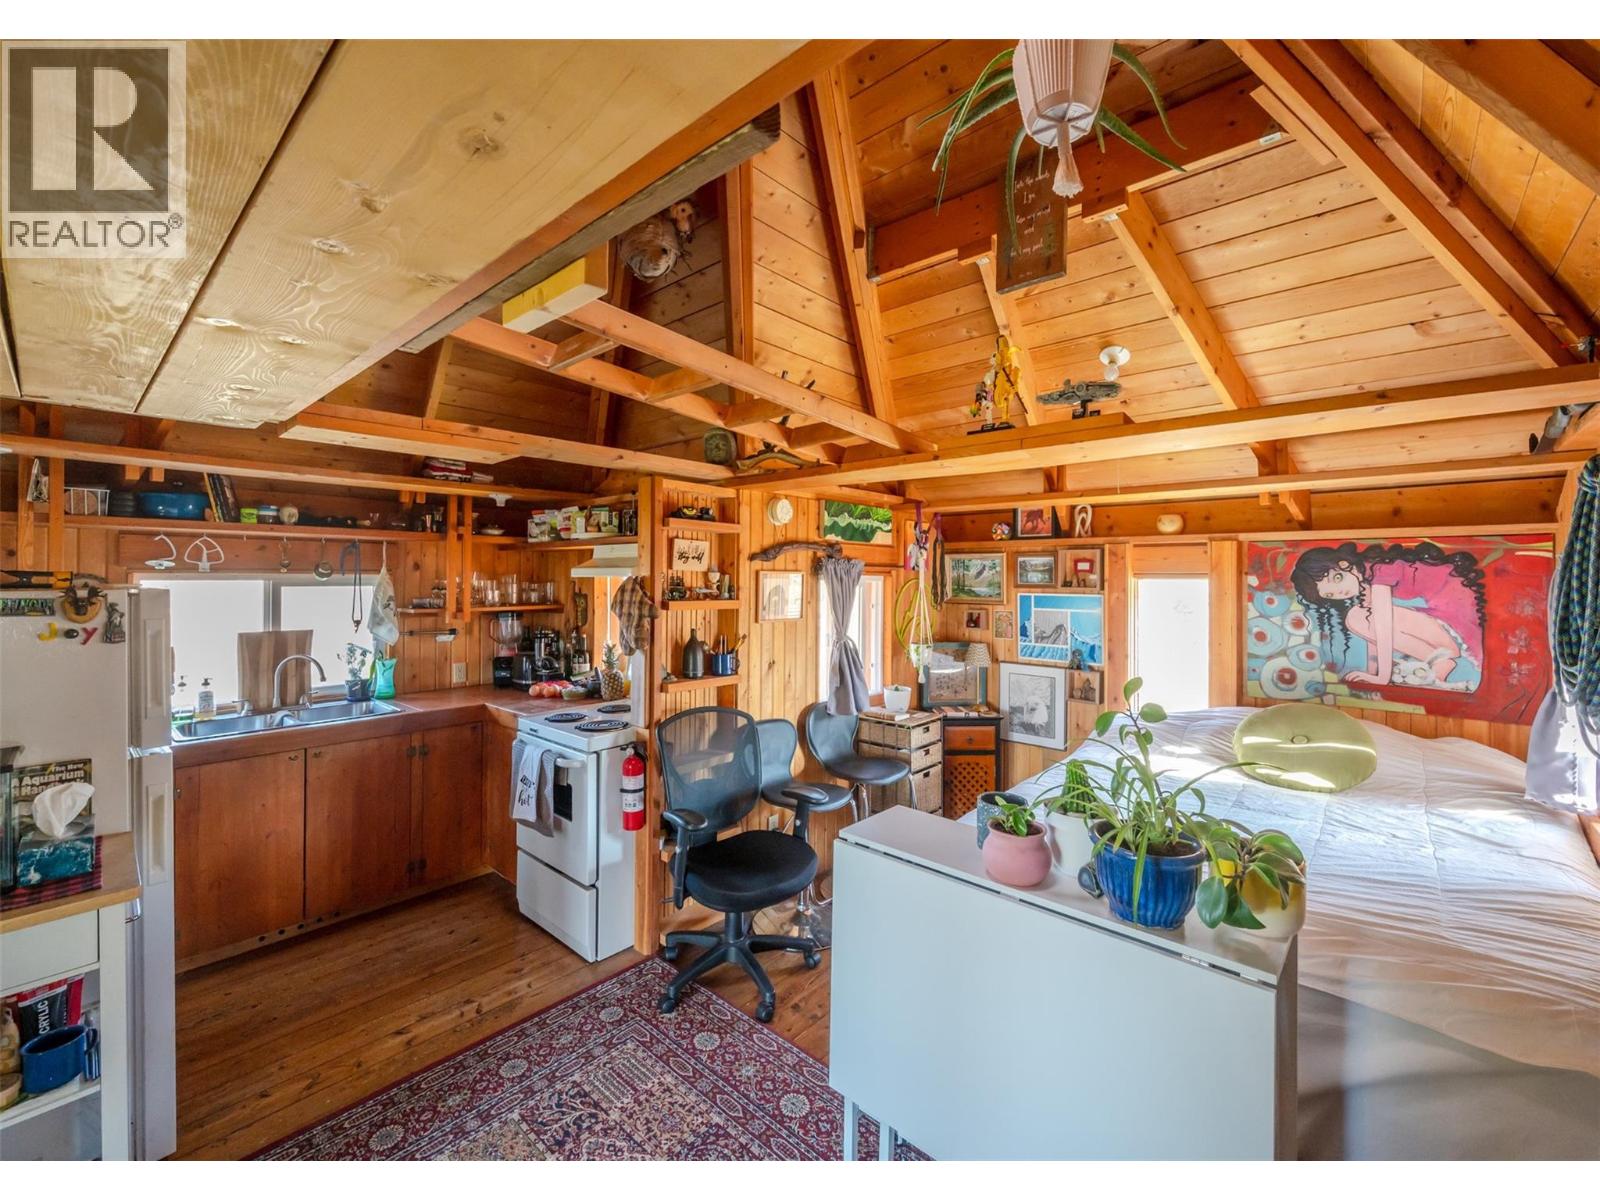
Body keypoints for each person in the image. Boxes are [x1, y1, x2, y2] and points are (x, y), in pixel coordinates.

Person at [1289, 542, 1486, 691]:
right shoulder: (1364, 581)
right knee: (1357, 617)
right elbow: (1374, 631)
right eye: (1330, 595)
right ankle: (1437, 660)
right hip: (1442, 623)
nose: (1341, 593)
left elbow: (1383, 628)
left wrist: (1382, 678)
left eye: (1337, 580)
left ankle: (1439, 661)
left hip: (1455, 621)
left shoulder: (1379, 570)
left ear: (1343, 565)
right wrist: (1372, 673)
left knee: (1357, 618)